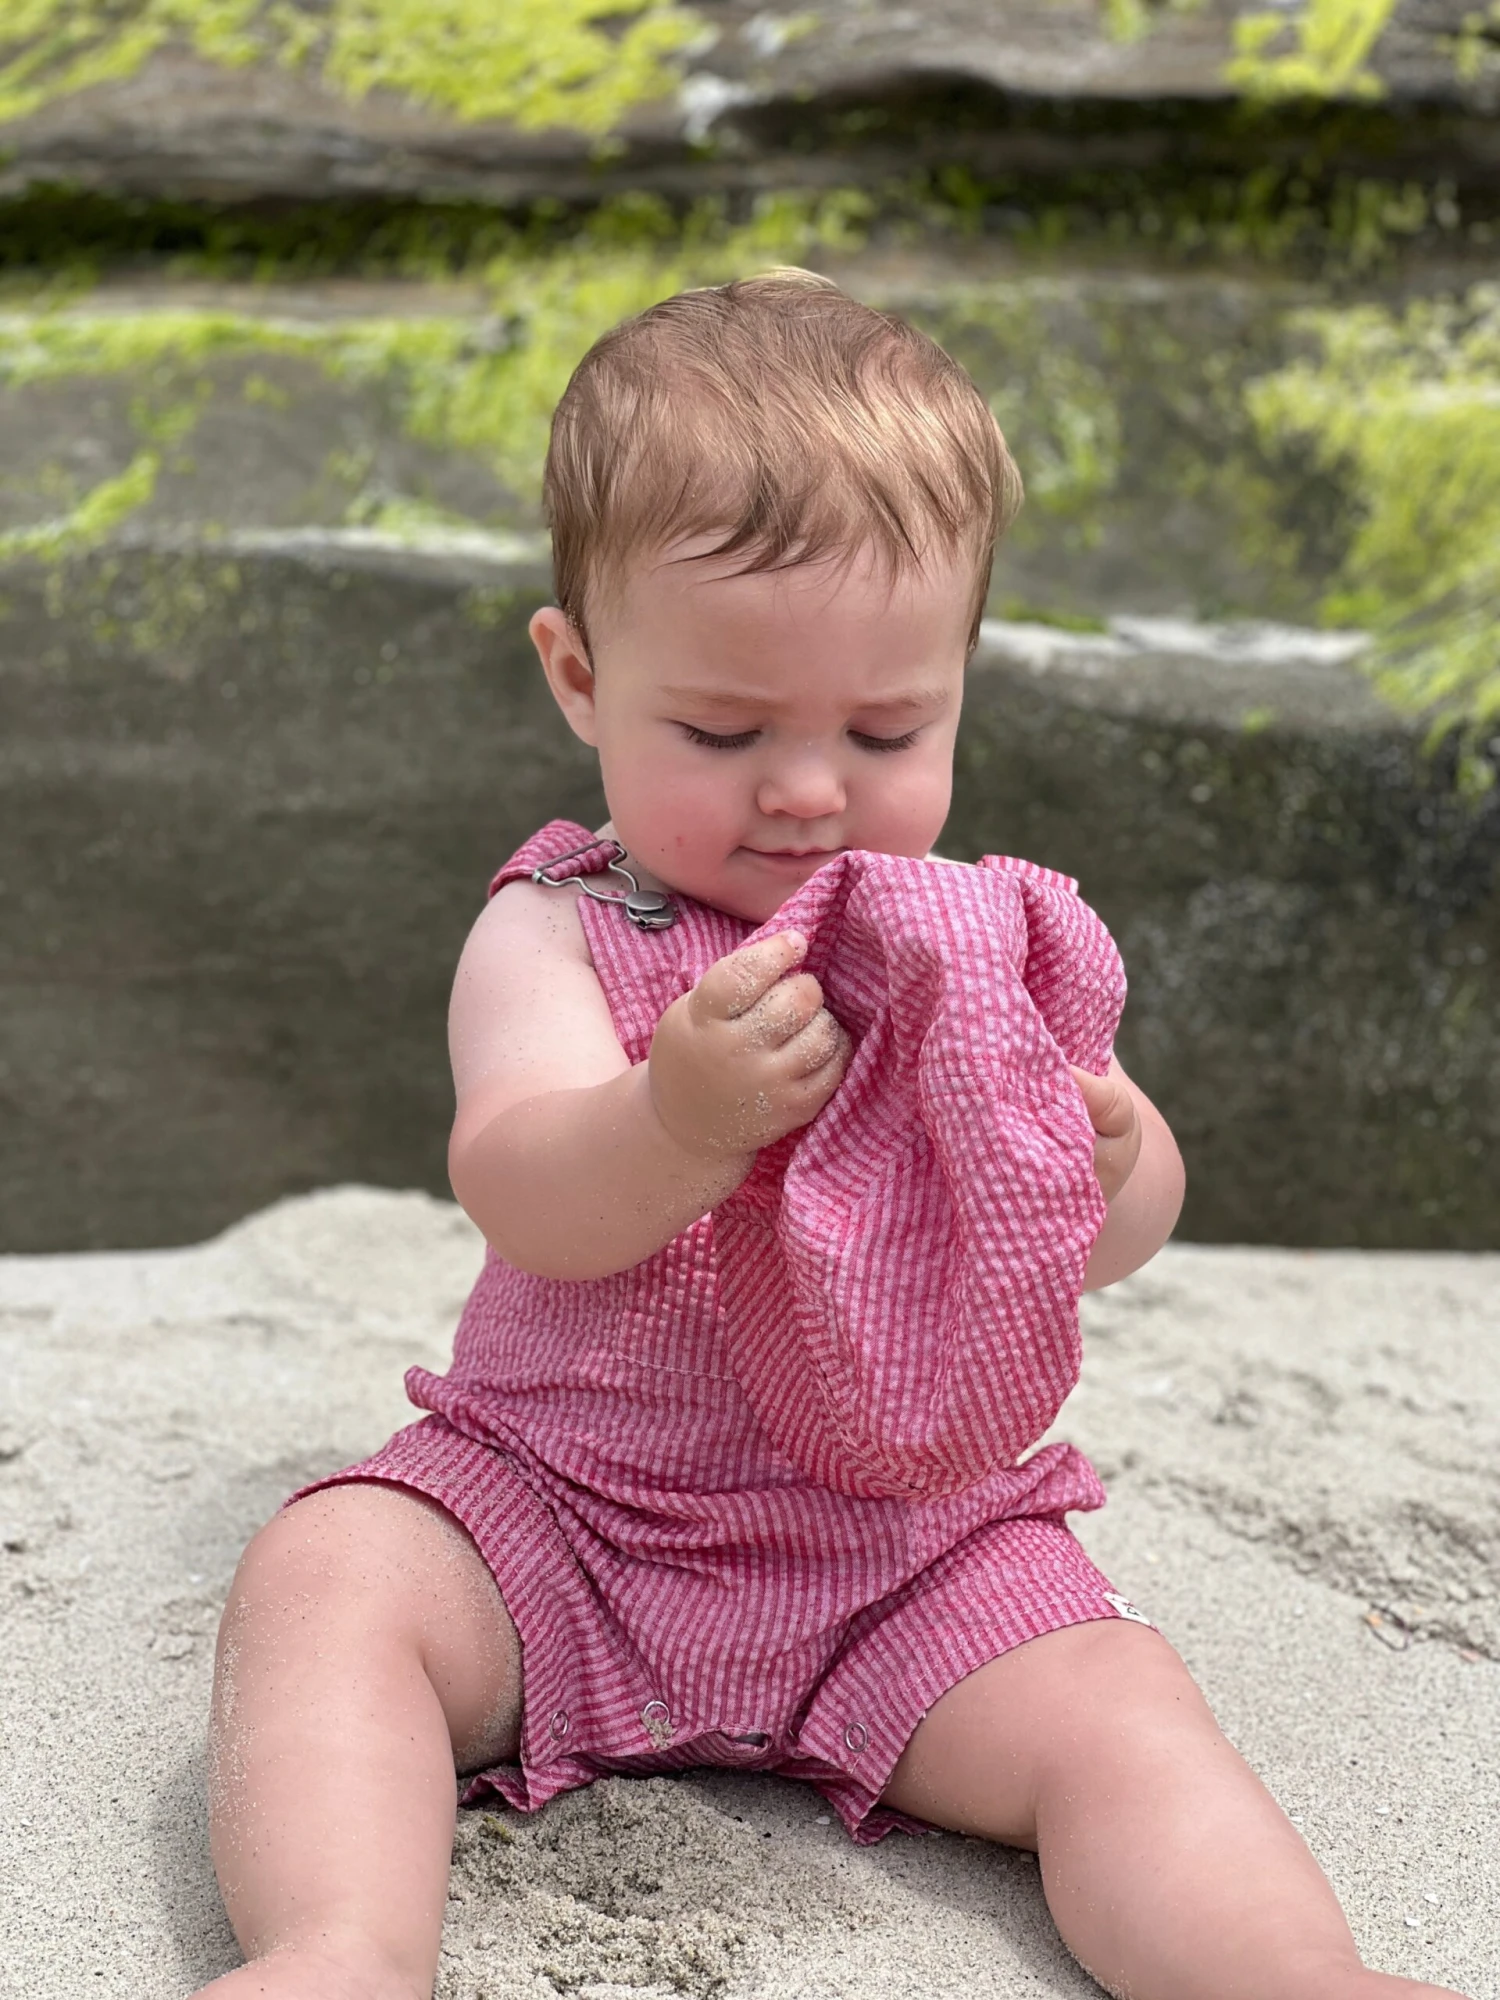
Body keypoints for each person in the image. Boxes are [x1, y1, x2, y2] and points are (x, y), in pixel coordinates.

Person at [198, 272, 1465, 2000]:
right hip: (569, 1516)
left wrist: (1110, 1158)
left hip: (903, 1549)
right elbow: (524, 1184)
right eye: (723, 731)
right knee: (328, 1572)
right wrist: (677, 1115)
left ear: (957, 683)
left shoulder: (960, 944)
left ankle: (1289, 1977)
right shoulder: (563, 928)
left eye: (888, 731)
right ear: (580, 674)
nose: (809, 788)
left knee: (1117, 1705)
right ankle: (339, 1946)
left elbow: (1104, 1236)